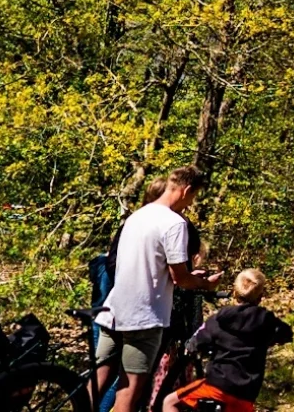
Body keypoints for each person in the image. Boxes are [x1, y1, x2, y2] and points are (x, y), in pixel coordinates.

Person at [94, 166, 223, 412]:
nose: (190, 204)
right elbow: (181, 279)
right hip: (143, 318)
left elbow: (147, 264)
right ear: (186, 190)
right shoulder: (175, 223)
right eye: (192, 198)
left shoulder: (136, 216)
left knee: (96, 385)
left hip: (112, 310)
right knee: (128, 397)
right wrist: (205, 283)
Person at [163, 269, 293, 412]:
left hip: (217, 386)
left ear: (234, 292)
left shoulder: (218, 320)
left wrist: (190, 347)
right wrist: (272, 339)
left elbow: (197, 340)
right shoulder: (267, 321)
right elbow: (286, 333)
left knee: (170, 402)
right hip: (246, 394)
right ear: (260, 297)